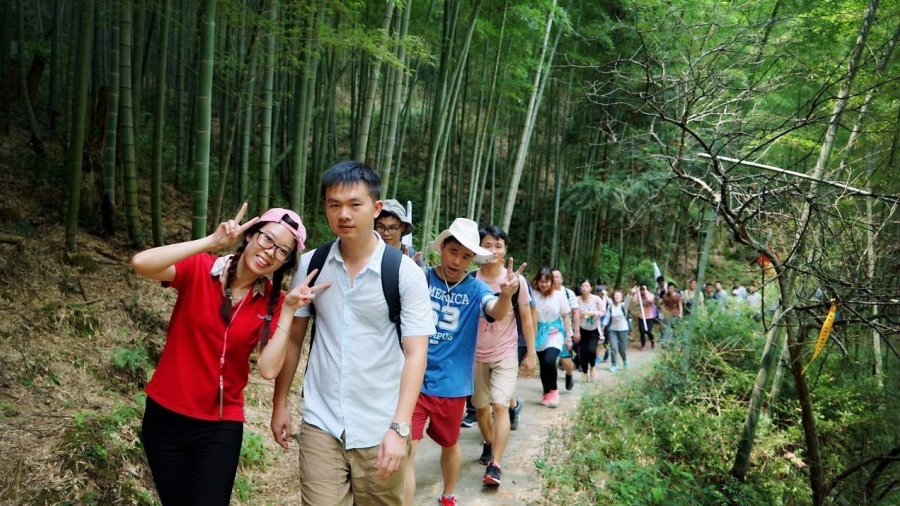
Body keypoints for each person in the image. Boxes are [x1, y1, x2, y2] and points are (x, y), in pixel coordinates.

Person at [132, 204, 327, 505]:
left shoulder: (271, 305)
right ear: (249, 236)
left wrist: (288, 311)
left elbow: (268, 369)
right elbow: (141, 262)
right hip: (165, 415)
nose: (270, 252)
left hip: (220, 423)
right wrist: (211, 241)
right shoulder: (200, 269)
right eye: (266, 239)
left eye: (282, 251)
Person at [270, 161, 433, 506]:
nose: (343, 214)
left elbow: (417, 353)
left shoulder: (404, 273)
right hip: (321, 420)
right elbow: (295, 338)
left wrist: (400, 428)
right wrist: (280, 403)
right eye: (334, 204)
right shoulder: (311, 264)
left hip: (380, 422)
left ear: (375, 208)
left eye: (354, 204)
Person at [402, 218, 524, 505]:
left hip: (452, 386)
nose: (457, 260)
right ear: (441, 248)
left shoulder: (476, 289)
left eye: (467, 256)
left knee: (449, 444)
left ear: (473, 260)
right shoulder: (421, 277)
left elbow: (494, 310)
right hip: (415, 381)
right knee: (408, 449)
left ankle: (448, 493)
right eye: (453, 251)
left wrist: (506, 295)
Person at [472, 225, 536, 488]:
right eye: (487, 245)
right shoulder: (471, 280)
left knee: (499, 406)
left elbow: (526, 318)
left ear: (505, 250)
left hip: (505, 352)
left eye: (498, 246)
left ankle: (495, 464)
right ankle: (489, 441)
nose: (493, 250)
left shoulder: (515, 281)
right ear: (479, 248)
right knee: (479, 409)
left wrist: (531, 353)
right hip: (476, 354)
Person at [532, 268, 575, 408]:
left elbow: (566, 317)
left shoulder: (559, 295)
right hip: (539, 333)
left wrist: (569, 337)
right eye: (541, 281)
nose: (543, 284)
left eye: (547, 281)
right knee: (543, 366)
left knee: (550, 360)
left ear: (552, 282)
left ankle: (554, 390)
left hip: (555, 331)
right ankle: (546, 393)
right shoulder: (533, 295)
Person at [551, 269, 580, 390]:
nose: (555, 280)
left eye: (557, 277)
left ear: (561, 279)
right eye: (552, 277)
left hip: (564, 332)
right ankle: (551, 387)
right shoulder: (544, 292)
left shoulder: (568, 293)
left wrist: (576, 331)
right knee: (549, 360)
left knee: (566, 361)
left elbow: (576, 312)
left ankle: (569, 374)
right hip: (549, 332)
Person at [376, 198, 425, 267]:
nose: (386, 233)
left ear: (402, 227)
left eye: (392, 228)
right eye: (381, 227)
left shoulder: (413, 258)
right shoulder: (365, 253)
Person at [575, 279, 604, 381]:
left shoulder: (596, 299)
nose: (584, 288)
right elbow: (574, 314)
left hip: (594, 329)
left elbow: (602, 311)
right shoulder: (577, 299)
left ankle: (592, 367)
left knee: (591, 350)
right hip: (581, 329)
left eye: (587, 286)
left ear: (591, 288)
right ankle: (584, 373)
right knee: (583, 352)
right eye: (583, 286)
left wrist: (593, 313)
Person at [607, 290, 631, 372]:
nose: (617, 297)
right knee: (613, 347)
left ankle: (625, 361)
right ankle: (614, 365)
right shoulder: (610, 307)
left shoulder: (623, 306)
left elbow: (628, 300)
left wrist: (630, 293)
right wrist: (601, 330)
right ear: (613, 297)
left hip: (623, 330)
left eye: (619, 296)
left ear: (622, 298)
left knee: (622, 349)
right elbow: (607, 318)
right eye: (615, 295)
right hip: (613, 330)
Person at [629, 283, 657, 351]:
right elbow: (634, 300)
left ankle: (652, 341)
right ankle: (643, 345)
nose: (642, 291)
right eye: (642, 289)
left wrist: (645, 290)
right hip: (641, 316)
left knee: (648, 331)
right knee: (642, 331)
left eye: (644, 289)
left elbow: (650, 299)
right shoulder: (639, 296)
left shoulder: (651, 295)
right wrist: (637, 292)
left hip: (649, 316)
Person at [660, 282, 684, 347]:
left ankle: (674, 343)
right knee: (666, 329)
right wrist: (662, 315)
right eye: (669, 288)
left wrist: (680, 314)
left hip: (675, 314)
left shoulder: (678, 296)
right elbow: (663, 305)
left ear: (674, 289)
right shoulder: (664, 296)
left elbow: (680, 305)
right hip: (667, 314)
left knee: (675, 330)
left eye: (671, 288)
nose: (670, 289)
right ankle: (664, 343)